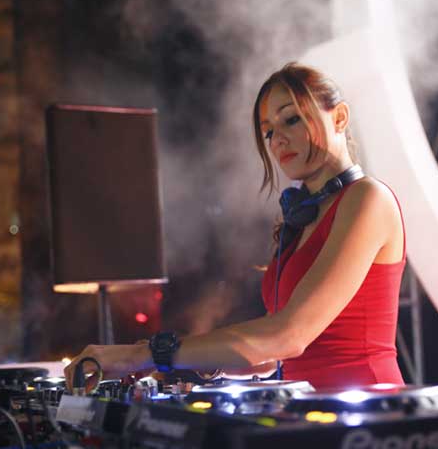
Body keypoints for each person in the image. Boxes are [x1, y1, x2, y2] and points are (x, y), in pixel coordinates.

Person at [65, 62, 406, 390]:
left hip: (370, 411)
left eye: (291, 119)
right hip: (311, 413)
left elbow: (288, 336)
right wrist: (175, 360)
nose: (277, 139)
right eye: (269, 131)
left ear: (340, 117)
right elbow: (269, 356)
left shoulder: (367, 199)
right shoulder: (303, 217)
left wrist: (143, 355)